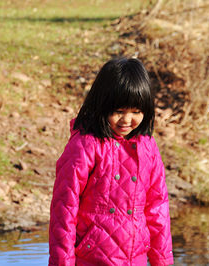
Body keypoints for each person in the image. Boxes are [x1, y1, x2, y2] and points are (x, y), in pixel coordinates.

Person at [49, 57, 173, 266]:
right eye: (119, 111)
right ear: (102, 105)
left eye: (136, 112)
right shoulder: (85, 146)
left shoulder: (148, 147)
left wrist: (162, 261)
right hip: (91, 259)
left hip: (137, 259)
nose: (127, 120)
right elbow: (64, 209)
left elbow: (157, 207)